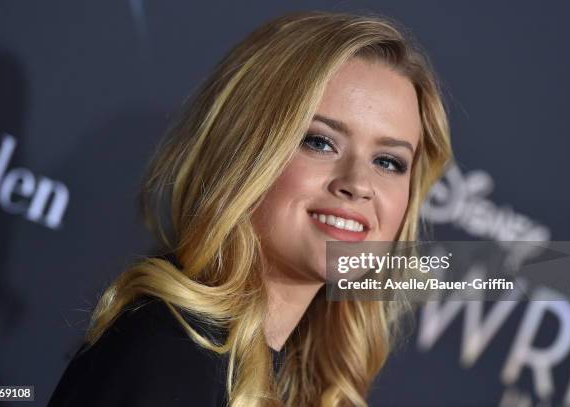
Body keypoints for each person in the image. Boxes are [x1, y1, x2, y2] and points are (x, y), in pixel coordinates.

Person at [48, 10, 452, 407]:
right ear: (248, 150)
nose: (359, 184)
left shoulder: (295, 381)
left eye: (388, 162)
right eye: (320, 142)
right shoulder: (170, 354)